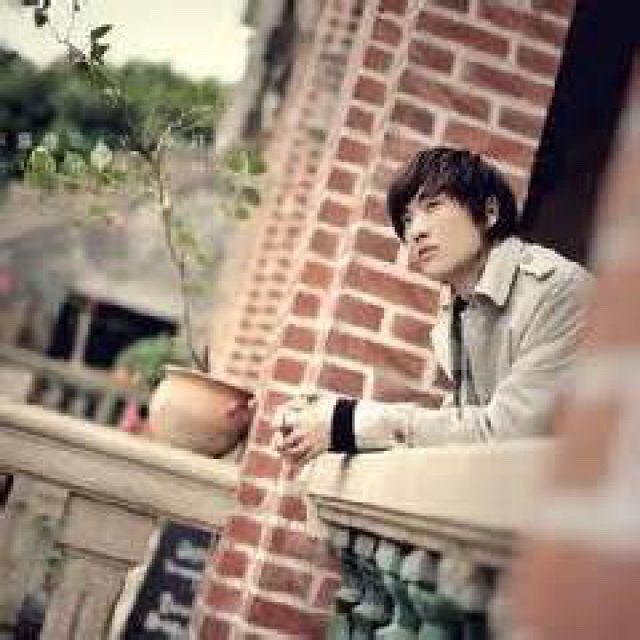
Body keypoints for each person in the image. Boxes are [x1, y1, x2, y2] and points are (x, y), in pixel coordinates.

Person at [274, 146, 593, 465]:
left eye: (433, 206)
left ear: (489, 212)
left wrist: (347, 421)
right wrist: (324, 424)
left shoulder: (559, 291)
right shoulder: (459, 313)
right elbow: (459, 430)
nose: (415, 231)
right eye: (407, 219)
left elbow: (505, 435)